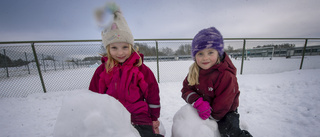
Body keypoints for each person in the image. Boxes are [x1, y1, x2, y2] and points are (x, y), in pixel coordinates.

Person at [89, 3, 163, 137]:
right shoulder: (102, 71)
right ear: (108, 49)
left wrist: (154, 118)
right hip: (112, 114)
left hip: (138, 115)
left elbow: (152, 93)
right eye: (114, 48)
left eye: (124, 47)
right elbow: (94, 95)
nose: (120, 52)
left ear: (131, 47)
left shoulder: (141, 69)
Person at [181, 27, 252, 137]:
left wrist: (212, 119)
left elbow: (223, 104)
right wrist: (197, 102)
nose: (205, 58)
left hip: (225, 112)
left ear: (218, 53)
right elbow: (186, 89)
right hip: (203, 108)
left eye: (210, 52)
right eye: (200, 54)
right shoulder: (194, 71)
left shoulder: (225, 75)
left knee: (229, 131)